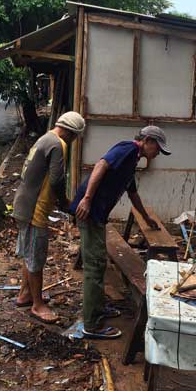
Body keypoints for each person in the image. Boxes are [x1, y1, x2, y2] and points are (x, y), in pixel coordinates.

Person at [71, 126, 171, 339]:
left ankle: (97, 309)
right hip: (89, 211)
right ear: (147, 140)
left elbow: (132, 193)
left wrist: (145, 217)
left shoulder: (132, 161)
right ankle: (92, 324)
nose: (157, 154)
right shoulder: (127, 149)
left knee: (98, 262)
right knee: (95, 266)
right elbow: (101, 165)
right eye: (157, 149)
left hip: (97, 214)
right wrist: (87, 199)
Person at [12, 111, 86, 323]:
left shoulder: (44, 138)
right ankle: (37, 305)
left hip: (23, 204)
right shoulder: (58, 144)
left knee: (28, 254)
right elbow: (56, 180)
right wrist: (66, 204)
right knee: (36, 258)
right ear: (72, 133)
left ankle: (25, 295)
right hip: (35, 210)